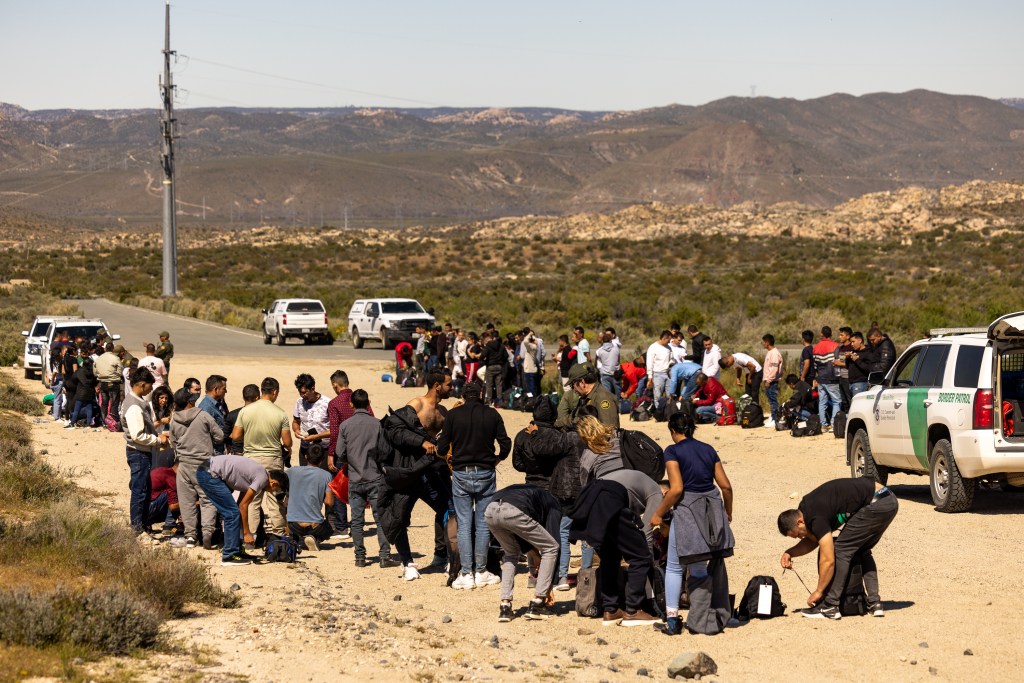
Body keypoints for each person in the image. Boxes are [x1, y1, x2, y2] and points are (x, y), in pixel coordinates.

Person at [653, 411, 734, 636]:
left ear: (672, 431)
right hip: (711, 508)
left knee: (674, 565)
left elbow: (677, 488)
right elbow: (725, 486)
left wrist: (659, 513)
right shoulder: (708, 449)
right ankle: (700, 619)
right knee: (698, 564)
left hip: (688, 510)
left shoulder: (673, 451)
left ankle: (672, 621)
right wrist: (727, 511)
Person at [778, 477, 898, 620]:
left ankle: (830, 605)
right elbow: (814, 540)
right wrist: (790, 552)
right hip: (888, 500)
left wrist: (819, 591)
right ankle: (874, 603)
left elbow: (828, 559)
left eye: (798, 535)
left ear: (799, 522)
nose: (800, 538)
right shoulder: (808, 511)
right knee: (862, 549)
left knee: (841, 549)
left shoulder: (815, 516)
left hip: (875, 504)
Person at [378, 369, 455, 580]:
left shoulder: (445, 412)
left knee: (450, 511)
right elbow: (394, 429)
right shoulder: (417, 404)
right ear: (437, 385)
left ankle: (447, 557)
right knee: (398, 515)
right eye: (449, 384)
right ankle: (407, 562)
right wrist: (422, 442)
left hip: (432, 471)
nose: (452, 388)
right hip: (409, 470)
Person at [437, 380, 511, 589]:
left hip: (461, 472)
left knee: (463, 524)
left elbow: (442, 447)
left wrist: (450, 458)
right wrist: (497, 458)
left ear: (462, 396)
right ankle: (481, 571)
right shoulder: (492, 415)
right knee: (482, 523)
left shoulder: (453, 415)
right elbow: (505, 443)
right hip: (486, 471)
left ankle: (466, 573)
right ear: (480, 394)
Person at [569, 479, 662, 627]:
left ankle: (610, 610)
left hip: (590, 505)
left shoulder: (627, 478)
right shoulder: (656, 491)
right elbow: (646, 528)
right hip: (611, 503)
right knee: (641, 556)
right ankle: (633, 611)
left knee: (610, 557)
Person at [337, 389, 397, 568]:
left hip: (355, 479)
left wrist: (352, 458)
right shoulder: (377, 424)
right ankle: (385, 556)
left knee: (356, 521)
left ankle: (360, 558)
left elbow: (340, 452)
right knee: (380, 519)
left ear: (351, 404)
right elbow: (386, 451)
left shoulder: (345, 426)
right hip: (375, 477)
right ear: (368, 402)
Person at [485, 484, 563, 621]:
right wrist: (549, 584)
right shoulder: (554, 505)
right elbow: (553, 544)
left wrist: (534, 553)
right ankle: (538, 603)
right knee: (551, 548)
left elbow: (520, 532)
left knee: (511, 554)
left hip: (490, 510)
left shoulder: (534, 494)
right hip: (513, 511)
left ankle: (505, 606)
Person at [230, 377, 292, 546]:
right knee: (275, 499)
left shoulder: (246, 411)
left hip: (251, 460)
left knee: (252, 500)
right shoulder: (280, 413)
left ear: (261, 390)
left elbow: (235, 436)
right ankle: (279, 535)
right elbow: (287, 442)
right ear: (275, 392)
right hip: (273, 458)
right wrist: (290, 448)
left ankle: (252, 537)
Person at [197, 453, 286, 566]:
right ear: (274, 483)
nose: (272, 492)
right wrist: (246, 533)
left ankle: (236, 551)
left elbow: (241, 505)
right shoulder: (262, 478)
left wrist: (245, 531)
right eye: (275, 489)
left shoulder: (256, 475)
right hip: (209, 473)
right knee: (231, 513)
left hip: (207, 470)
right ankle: (229, 555)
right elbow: (243, 506)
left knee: (233, 512)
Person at [168, 386, 223, 549]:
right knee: (207, 500)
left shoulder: (174, 420)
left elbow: (173, 442)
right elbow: (219, 436)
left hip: (184, 466)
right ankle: (207, 535)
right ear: (190, 401)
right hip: (204, 464)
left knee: (187, 502)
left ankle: (190, 537)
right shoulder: (203, 415)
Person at [119, 367, 169, 539]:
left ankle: (143, 525)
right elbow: (137, 435)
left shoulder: (137, 400)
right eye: (149, 386)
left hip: (142, 453)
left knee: (145, 490)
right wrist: (158, 440)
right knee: (139, 491)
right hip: (138, 453)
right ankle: (137, 529)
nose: (151, 390)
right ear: (141, 385)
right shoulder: (134, 406)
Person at [285, 445, 335, 551]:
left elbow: (285, 500)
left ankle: (296, 537)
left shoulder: (291, 471)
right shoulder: (326, 475)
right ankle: (314, 538)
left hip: (294, 524)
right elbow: (329, 502)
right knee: (329, 530)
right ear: (322, 460)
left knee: (293, 523)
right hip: (315, 527)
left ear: (306, 456)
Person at [555, 362, 620, 429]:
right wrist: (557, 424)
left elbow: (609, 430)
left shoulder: (603, 398)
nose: (573, 389)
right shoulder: (586, 397)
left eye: (572, 385)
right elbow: (574, 419)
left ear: (582, 382)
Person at [813, 326, 841, 432]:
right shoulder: (835, 346)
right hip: (832, 378)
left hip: (821, 378)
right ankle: (834, 425)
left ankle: (823, 425)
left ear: (821, 334)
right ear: (831, 334)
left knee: (822, 402)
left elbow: (815, 364)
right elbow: (838, 362)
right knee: (837, 401)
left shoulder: (816, 347)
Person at [224, 384, 259, 455]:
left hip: (237, 454)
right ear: (257, 398)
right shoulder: (262, 414)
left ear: (243, 397)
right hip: (255, 455)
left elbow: (224, 437)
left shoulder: (232, 415)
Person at [198, 375, 228, 454]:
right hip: (213, 453)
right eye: (224, 389)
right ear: (216, 390)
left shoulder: (217, 404)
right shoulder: (206, 407)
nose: (226, 391)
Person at [66, 356, 98, 429]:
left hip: (81, 392)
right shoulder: (92, 372)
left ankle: (72, 423)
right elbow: (95, 381)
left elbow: (74, 378)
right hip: (90, 391)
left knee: (77, 409)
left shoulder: (80, 370)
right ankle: (88, 424)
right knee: (89, 408)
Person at [94, 342, 122, 426]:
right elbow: (120, 371)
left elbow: (95, 372)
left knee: (104, 403)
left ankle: (104, 422)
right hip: (113, 383)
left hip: (102, 383)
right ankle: (112, 422)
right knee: (114, 403)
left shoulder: (98, 359)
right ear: (113, 349)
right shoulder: (116, 358)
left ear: (105, 349)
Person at [761, 334, 785, 425]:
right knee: (770, 400)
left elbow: (774, 369)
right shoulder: (770, 352)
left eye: (763, 342)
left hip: (772, 381)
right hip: (769, 380)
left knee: (773, 400)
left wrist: (769, 380)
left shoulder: (774, 353)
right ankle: (773, 417)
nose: (763, 344)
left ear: (767, 343)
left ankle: (776, 419)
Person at [150, 385, 175, 469]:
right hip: (150, 437)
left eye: (166, 398)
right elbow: (148, 427)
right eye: (161, 398)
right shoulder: (149, 407)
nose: (164, 400)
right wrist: (161, 421)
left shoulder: (164, 409)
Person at [645, 331, 673, 403]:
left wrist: (671, 364)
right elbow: (649, 362)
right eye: (668, 340)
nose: (669, 342)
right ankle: (658, 411)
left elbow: (671, 358)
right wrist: (650, 376)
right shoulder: (653, 347)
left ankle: (668, 411)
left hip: (668, 374)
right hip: (657, 374)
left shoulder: (669, 348)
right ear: (664, 338)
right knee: (657, 395)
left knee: (669, 395)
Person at [846, 332, 873, 397]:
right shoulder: (853, 352)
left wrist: (857, 360)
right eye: (851, 342)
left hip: (861, 383)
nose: (851, 344)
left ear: (860, 340)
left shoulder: (868, 353)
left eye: (853, 342)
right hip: (851, 383)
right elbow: (848, 366)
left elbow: (869, 369)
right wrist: (847, 358)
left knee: (857, 406)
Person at [595, 332, 621, 397]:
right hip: (615, 374)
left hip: (604, 374)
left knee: (607, 395)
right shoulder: (616, 349)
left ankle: (609, 406)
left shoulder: (599, 351)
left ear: (602, 340)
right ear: (611, 340)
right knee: (617, 394)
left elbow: (598, 363)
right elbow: (618, 361)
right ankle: (618, 406)